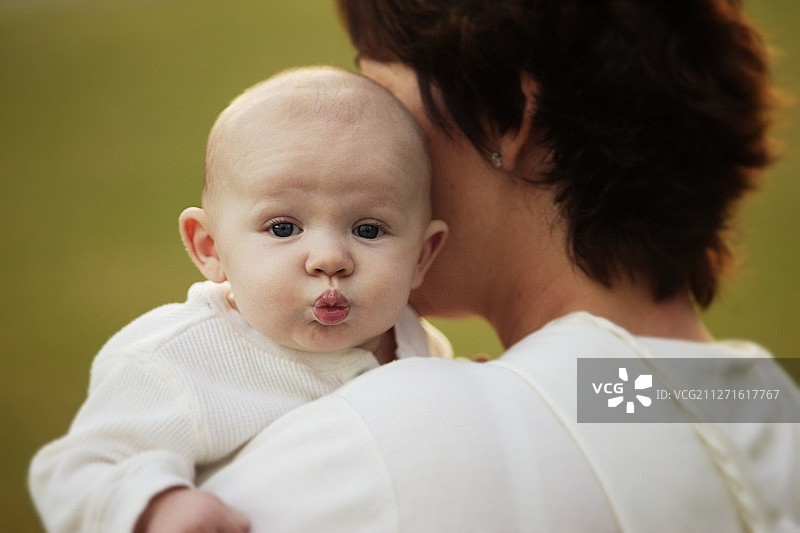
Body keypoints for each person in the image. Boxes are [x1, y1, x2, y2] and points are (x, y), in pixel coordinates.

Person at [202, 1, 800, 531]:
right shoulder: (762, 406)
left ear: (505, 116)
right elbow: (604, 397)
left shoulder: (390, 446)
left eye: (379, 89)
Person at [28, 66, 450, 533]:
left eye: (368, 229)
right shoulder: (182, 359)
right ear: (210, 247)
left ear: (421, 256)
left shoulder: (414, 340)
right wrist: (156, 506)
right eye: (283, 228)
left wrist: (466, 390)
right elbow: (75, 471)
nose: (330, 258)